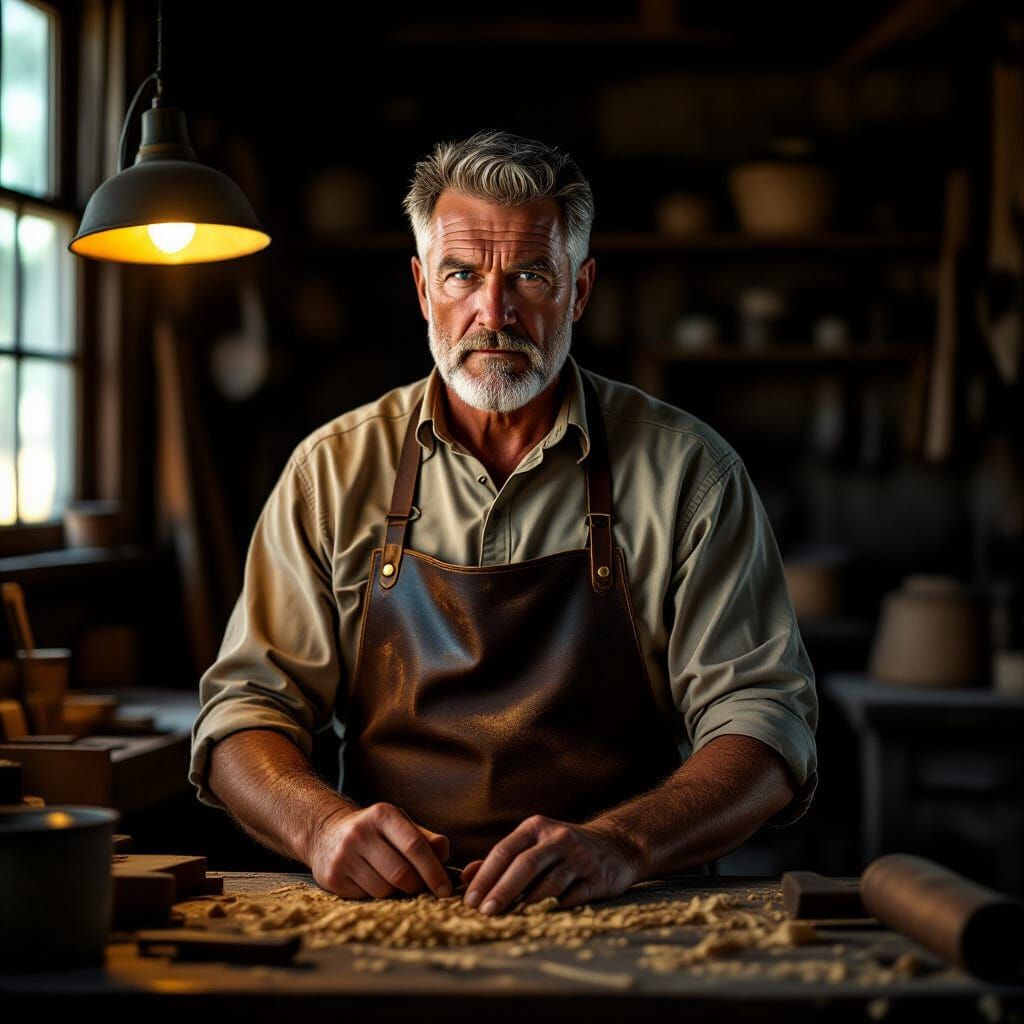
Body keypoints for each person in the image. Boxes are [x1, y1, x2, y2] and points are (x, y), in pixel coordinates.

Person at [189, 129, 818, 917]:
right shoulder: (331, 473)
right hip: (391, 914)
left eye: (529, 274)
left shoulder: (690, 473)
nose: (495, 312)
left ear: (579, 290)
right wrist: (321, 829)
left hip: (629, 911)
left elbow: (766, 727)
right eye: (462, 275)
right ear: (422, 289)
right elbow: (245, 715)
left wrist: (624, 845)